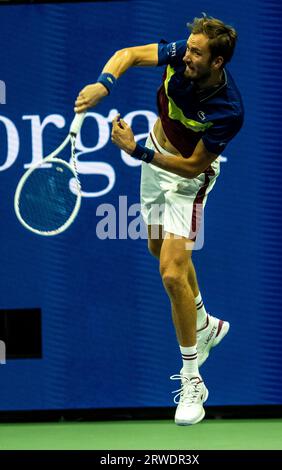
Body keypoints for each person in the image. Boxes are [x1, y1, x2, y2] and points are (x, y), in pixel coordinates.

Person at [74, 14, 244, 426]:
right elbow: (127, 54)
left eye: (197, 52)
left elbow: (190, 167)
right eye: (188, 47)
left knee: (171, 273)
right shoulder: (179, 54)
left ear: (217, 62)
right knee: (157, 250)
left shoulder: (228, 110)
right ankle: (203, 322)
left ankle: (192, 379)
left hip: (188, 179)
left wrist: (135, 152)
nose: (187, 55)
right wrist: (104, 83)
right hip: (153, 155)